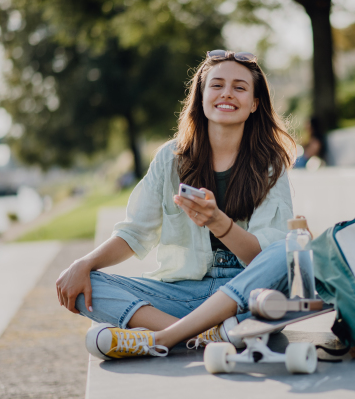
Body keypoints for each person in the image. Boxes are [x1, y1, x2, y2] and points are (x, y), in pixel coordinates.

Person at [55, 50, 297, 360]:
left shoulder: (270, 165)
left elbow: (263, 259)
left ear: (254, 103)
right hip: (183, 293)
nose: (227, 93)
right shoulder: (170, 159)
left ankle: (168, 337)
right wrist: (83, 264)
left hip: (244, 293)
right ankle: (209, 336)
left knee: (287, 251)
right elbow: (135, 233)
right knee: (84, 285)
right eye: (217, 85)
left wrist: (218, 223)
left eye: (239, 87)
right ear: (201, 96)